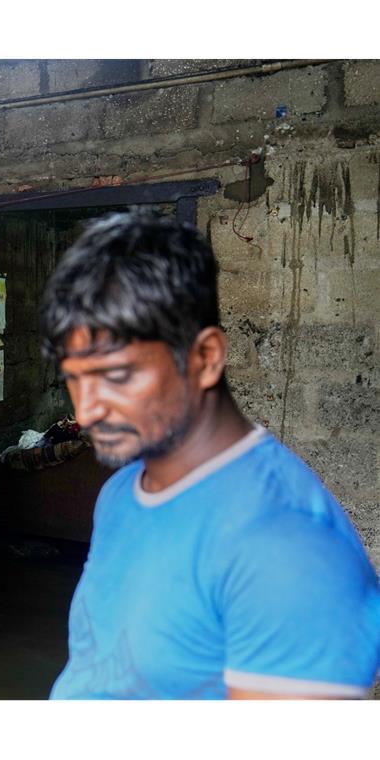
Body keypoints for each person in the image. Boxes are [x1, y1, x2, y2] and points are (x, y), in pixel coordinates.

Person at [41, 209, 380, 699]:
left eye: (115, 376)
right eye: (74, 378)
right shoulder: (120, 493)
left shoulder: (287, 548)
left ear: (204, 358)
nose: (87, 410)